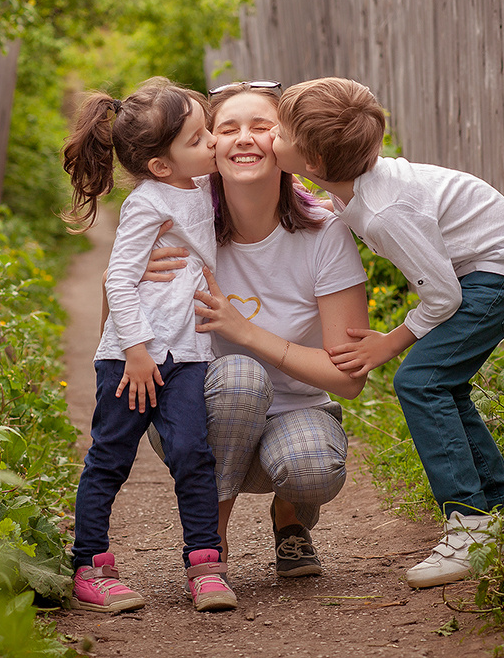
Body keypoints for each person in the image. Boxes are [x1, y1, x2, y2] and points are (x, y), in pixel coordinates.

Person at [271, 77, 504, 589]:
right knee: (440, 383)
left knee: (419, 381)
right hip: (481, 268)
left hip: (500, 271)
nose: (271, 135)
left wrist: (389, 342)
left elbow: (444, 297)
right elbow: (335, 206)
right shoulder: (354, 189)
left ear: (311, 162)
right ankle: (503, 506)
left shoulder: (385, 212)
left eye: (280, 131)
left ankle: (469, 527)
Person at [142, 80, 369, 578]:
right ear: (209, 145)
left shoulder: (323, 234)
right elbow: (120, 317)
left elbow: (350, 379)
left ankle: (289, 518)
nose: (245, 138)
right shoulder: (176, 223)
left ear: (288, 145)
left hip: (298, 412)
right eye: (228, 128)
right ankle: (211, 539)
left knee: (312, 467)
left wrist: (245, 331)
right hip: (206, 416)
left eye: (262, 127)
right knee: (242, 375)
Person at [61, 77, 236, 613]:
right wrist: (135, 349)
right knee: (110, 458)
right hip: (129, 358)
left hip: (185, 356)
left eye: (209, 131)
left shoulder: (200, 184)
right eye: (199, 137)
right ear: (161, 165)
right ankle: (90, 565)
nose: (212, 143)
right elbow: (118, 278)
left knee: (191, 453)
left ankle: (205, 563)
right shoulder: (148, 201)